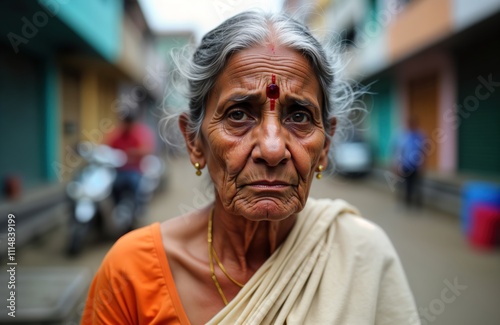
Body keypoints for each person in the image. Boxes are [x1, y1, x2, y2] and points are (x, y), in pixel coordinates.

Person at [82, 11, 419, 324]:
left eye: (299, 117)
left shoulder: (364, 255)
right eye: (239, 114)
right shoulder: (131, 272)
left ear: (326, 145)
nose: (272, 149)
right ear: (193, 141)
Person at [105, 111, 155, 209]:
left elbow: (147, 150)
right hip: (119, 171)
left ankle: (137, 209)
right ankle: (116, 208)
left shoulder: (139, 135)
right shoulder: (117, 135)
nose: (126, 125)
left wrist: (132, 153)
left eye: (128, 122)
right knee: (112, 187)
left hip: (134, 170)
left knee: (134, 185)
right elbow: (107, 148)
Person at [394, 117, 427, 208]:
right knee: (405, 184)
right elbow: (399, 151)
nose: (411, 126)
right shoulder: (403, 136)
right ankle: (407, 203)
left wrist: (423, 164)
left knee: (417, 185)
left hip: (416, 165)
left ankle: (417, 204)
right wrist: (397, 164)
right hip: (406, 165)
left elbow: (424, 151)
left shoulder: (421, 135)